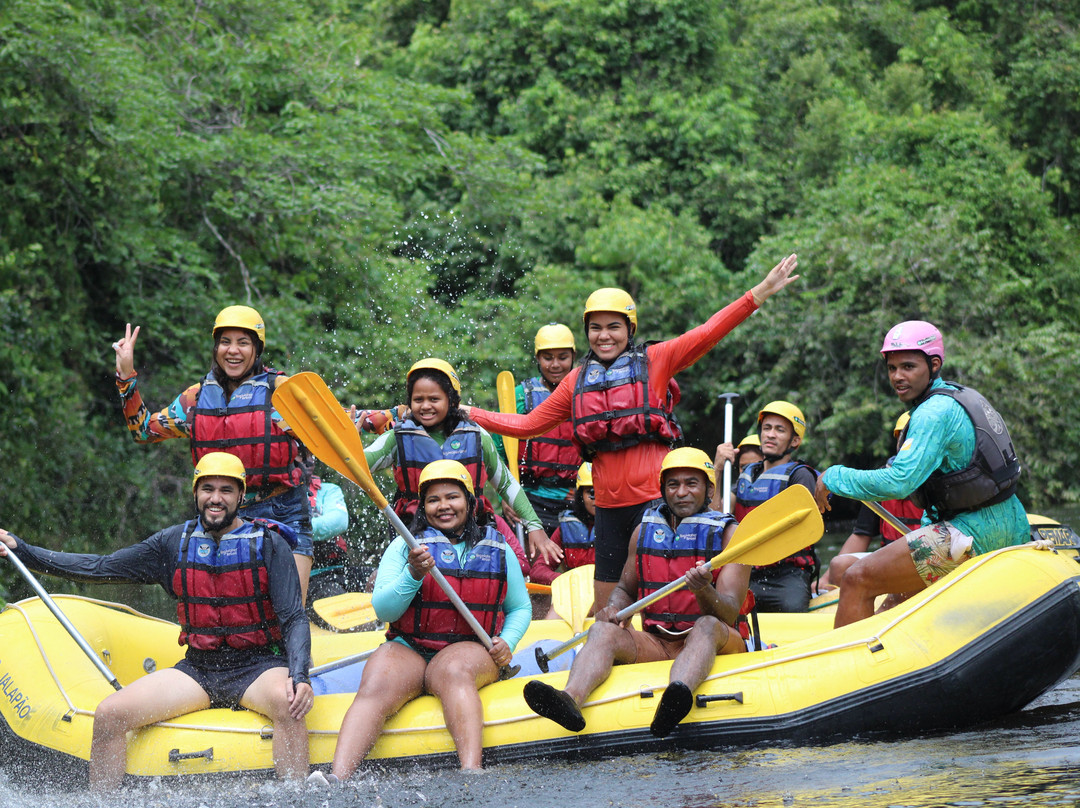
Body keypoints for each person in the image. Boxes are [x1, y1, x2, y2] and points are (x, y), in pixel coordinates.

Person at [467, 255, 799, 613]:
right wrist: (469, 413)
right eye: (595, 328)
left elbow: (707, 333)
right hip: (608, 510)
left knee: (668, 597)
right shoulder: (577, 381)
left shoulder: (656, 360)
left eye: (613, 326)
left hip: (656, 503)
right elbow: (529, 425)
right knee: (607, 607)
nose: (604, 335)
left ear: (630, 328)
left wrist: (759, 293)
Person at [0, 452, 312, 790]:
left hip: (258, 667)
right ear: (196, 493)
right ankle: (104, 800)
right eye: (208, 489)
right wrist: (25, 551)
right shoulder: (171, 545)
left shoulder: (269, 544)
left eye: (226, 490)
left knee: (289, 705)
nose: (216, 498)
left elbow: (294, 617)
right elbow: (100, 567)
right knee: (109, 715)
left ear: (240, 496)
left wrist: (299, 676)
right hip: (200, 670)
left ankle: (296, 794)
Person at [523, 447, 750, 739]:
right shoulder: (644, 529)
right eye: (673, 484)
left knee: (705, 625)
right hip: (659, 640)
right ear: (662, 490)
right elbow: (625, 589)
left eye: (691, 483)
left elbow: (729, 612)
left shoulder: (730, 533)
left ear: (709, 489)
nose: (681, 492)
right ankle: (570, 699)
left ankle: (675, 700)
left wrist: (703, 588)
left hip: (718, 639)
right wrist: (614, 609)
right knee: (602, 630)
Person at [815, 321, 1027, 628]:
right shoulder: (960, 397)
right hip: (1010, 521)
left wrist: (834, 476)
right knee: (895, 601)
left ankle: (841, 669)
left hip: (970, 534)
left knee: (856, 578)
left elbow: (900, 482)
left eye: (908, 367)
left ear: (934, 364)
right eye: (892, 368)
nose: (897, 377)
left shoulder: (932, 413)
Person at [327, 460, 531, 776]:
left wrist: (508, 640)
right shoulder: (405, 546)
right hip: (410, 645)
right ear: (423, 507)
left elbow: (520, 608)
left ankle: (471, 772)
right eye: (433, 500)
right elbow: (385, 610)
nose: (443, 506)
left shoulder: (498, 548)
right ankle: (336, 779)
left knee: (452, 670)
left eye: (453, 497)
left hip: (470, 648)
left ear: (470, 501)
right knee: (377, 680)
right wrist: (413, 574)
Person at [112, 306, 316, 605]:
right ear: (216, 347)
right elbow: (144, 430)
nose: (233, 351)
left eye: (243, 342)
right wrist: (126, 374)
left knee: (289, 613)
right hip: (223, 517)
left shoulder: (281, 392)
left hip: (283, 513)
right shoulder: (195, 399)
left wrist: (396, 416)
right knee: (236, 618)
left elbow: (332, 426)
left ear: (257, 349)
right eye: (225, 342)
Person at [358, 358, 561, 569]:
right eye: (418, 399)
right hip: (414, 536)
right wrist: (351, 446)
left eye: (434, 399)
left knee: (518, 569)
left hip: (471, 535)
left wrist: (534, 526)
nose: (425, 406)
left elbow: (506, 484)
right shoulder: (396, 438)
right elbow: (357, 466)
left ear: (452, 401)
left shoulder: (477, 436)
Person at [817, 413, 923, 591]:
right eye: (903, 438)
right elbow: (861, 534)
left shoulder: (942, 480)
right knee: (838, 564)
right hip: (890, 559)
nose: (908, 445)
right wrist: (826, 579)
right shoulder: (881, 478)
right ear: (898, 442)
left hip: (928, 559)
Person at [732, 401, 819, 612]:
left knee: (793, 610)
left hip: (787, 575)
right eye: (767, 428)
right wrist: (717, 468)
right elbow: (719, 515)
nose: (770, 434)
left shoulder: (800, 475)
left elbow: (806, 528)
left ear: (795, 440)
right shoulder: (747, 474)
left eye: (780, 430)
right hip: (747, 572)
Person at [498, 323, 583, 536]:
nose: (555, 365)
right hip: (528, 498)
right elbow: (498, 453)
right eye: (548, 358)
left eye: (562, 357)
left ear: (573, 356)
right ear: (537, 358)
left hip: (576, 498)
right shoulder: (519, 396)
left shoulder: (586, 395)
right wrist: (505, 496)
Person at [529, 462, 597, 587]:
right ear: (581, 495)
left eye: (603, 491)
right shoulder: (566, 528)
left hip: (610, 594)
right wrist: (568, 580)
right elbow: (538, 570)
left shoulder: (621, 527)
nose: (598, 498)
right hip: (576, 592)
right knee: (553, 607)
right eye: (591, 492)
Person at [306, 473, 356, 604]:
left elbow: (339, 521)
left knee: (377, 578)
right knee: (335, 596)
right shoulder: (280, 497)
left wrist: (300, 527)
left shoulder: (329, 490)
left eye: (310, 455)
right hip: (311, 578)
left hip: (337, 571)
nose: (309, 461)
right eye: (302, 455)